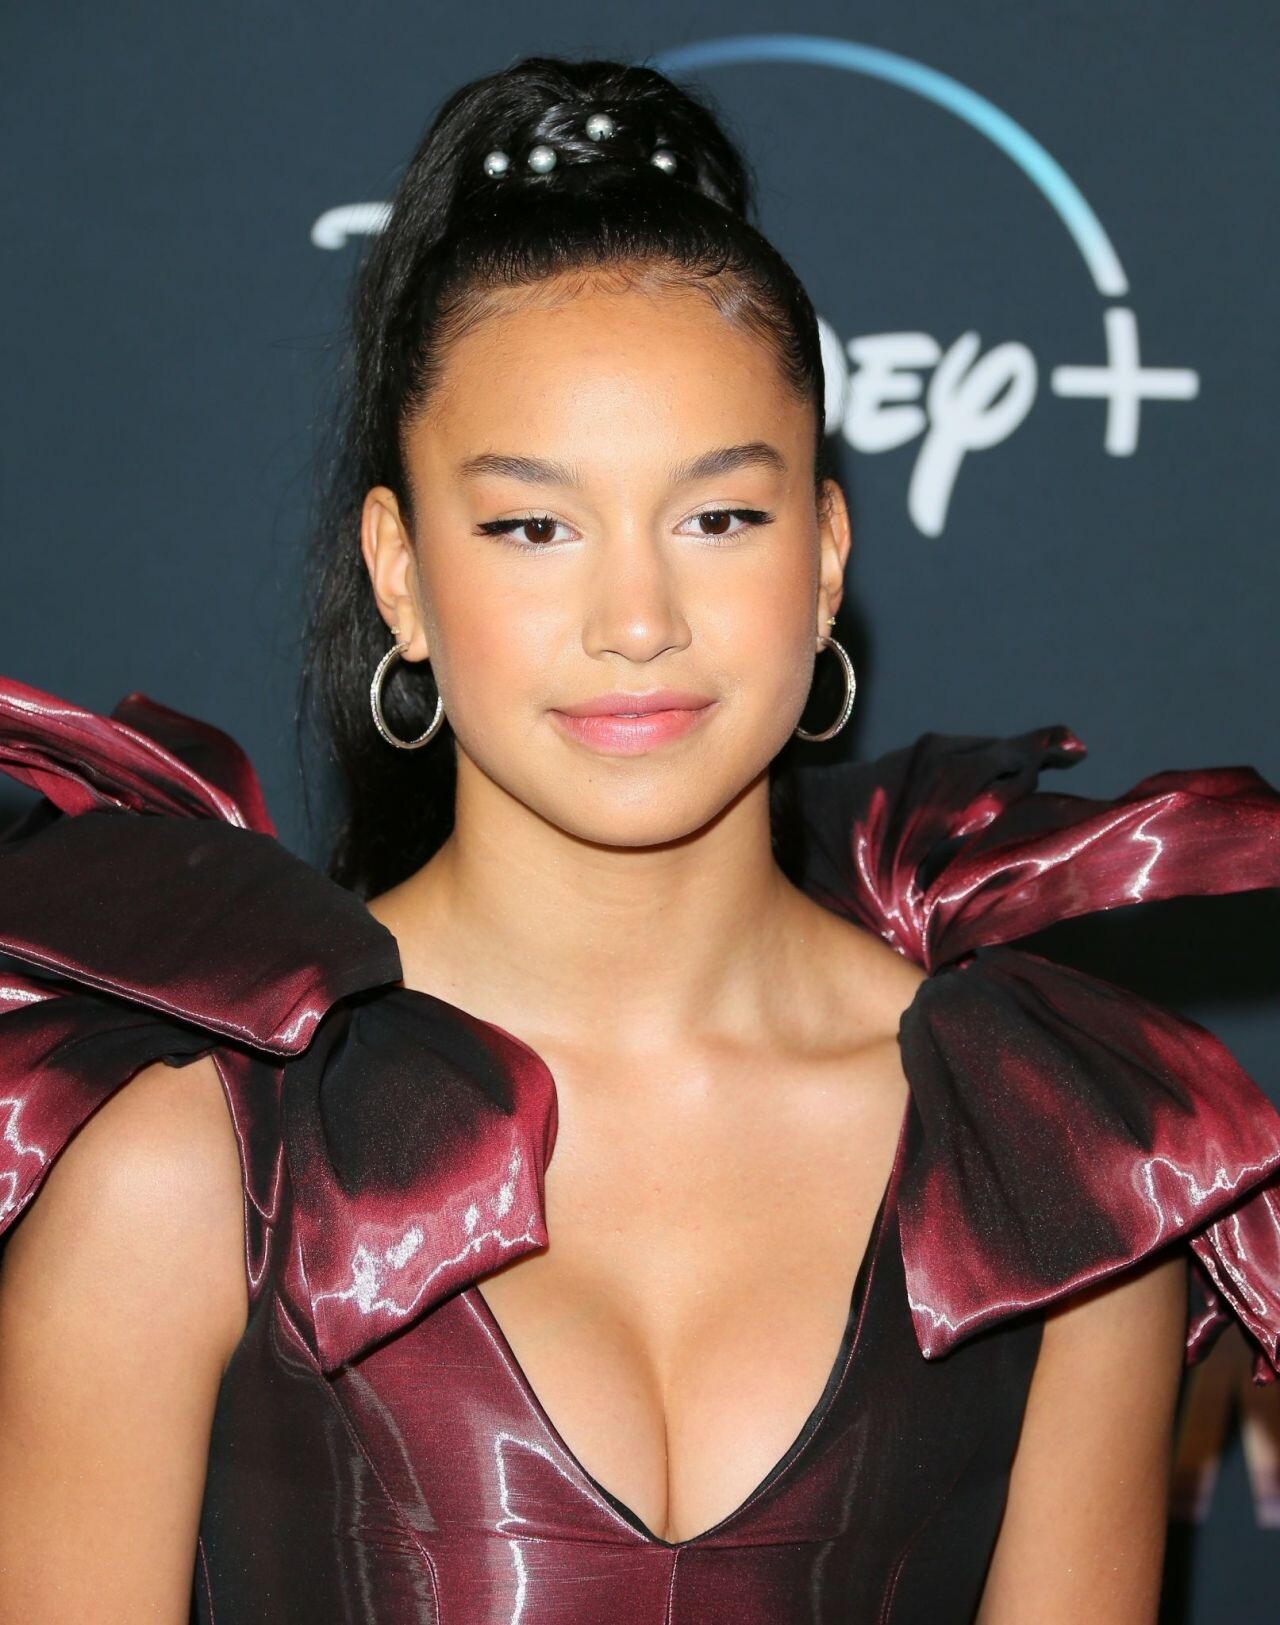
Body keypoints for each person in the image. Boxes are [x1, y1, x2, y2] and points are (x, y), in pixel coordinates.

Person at [0, 53, 1278, 1625]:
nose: (635, 619)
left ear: (825, 557)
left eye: (719, 517)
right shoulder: (186, 1171)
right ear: (401, 575)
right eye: (533, 524)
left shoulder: (1060, 1161)